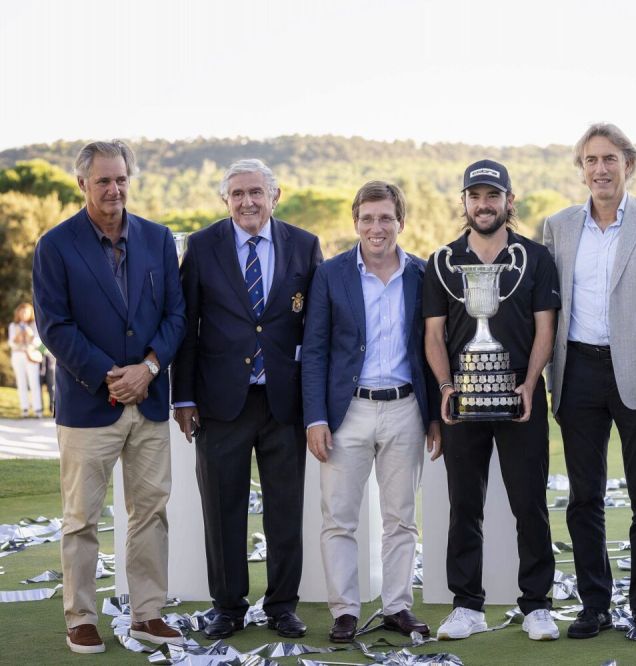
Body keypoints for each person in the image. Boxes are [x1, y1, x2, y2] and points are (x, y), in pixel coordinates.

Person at [32, 140, 186, 653]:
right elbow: (55, 325)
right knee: (81, 519)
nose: (114, 188)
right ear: (82, 184)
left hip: (149, 399)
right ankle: (81, 617)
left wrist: (146, 368)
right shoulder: (55, 245)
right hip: (87, 405)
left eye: (121, 178)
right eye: (103, 180)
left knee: (150, 513)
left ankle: (147, 614)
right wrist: (108, 376)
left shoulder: (159, 239)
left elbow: (176, 317)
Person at [542, 123, 636, 638]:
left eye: (609, 159)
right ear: (580, 168)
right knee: (584, 497)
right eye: (590, 160)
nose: (600, 169)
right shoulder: (557, 226)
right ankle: (594, 604)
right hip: (576, 372)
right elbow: (549, 310)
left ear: (629, 164)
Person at [171, 159, 322, 640]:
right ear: (225, 200)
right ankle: (228, 607)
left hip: (284, 403)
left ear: (275, 196)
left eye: (256, 192)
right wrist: (183, 397)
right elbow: (187, 328)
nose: (247, 202)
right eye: (237, 194)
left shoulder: (304, 245)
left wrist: (316, 404)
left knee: (285, 511)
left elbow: (315, 331)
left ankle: (281, 606)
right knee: (222, 510)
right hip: (220, 404)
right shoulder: (201, 246)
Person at [425, 159, 561, 642]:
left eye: (492, 196)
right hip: (463, 402)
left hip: (522, 400)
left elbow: (546, 328)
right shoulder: (442, 261)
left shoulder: (535, 257)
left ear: (509, 201)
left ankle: (538, 605)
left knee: (530, 504)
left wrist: (529, 382)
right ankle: (467, 605)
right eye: (475, 196)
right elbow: (434, 336)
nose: (484, 205)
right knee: (465, 505)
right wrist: (445, 387)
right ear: (464, 202)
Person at [302, 181, 438, 643]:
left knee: (401, 518)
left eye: (386, 218)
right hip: (348, 412)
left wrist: (435, 417)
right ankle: (344, 611)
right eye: (368, 218)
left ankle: (398, 605)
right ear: (355, 222)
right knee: (339, 518)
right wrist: (315, 417)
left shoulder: (422, 274)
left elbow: (430, 349)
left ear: (402, 221)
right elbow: (315, 349)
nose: (376, 227)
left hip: (405, 409)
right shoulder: (332, 274)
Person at [8, 302, 43, 418]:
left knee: (34, 382)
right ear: (18, 313)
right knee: (21, 382)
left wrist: (30, 334)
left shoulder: (34, 325)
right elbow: (11, 344)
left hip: (31, 355)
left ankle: (38, 409)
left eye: (26, 312)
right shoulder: (13, 326)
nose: (24, 314)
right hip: (18, 355)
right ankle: (25, 409)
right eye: (22, 311)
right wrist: (18, 335)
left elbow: (38, 342)